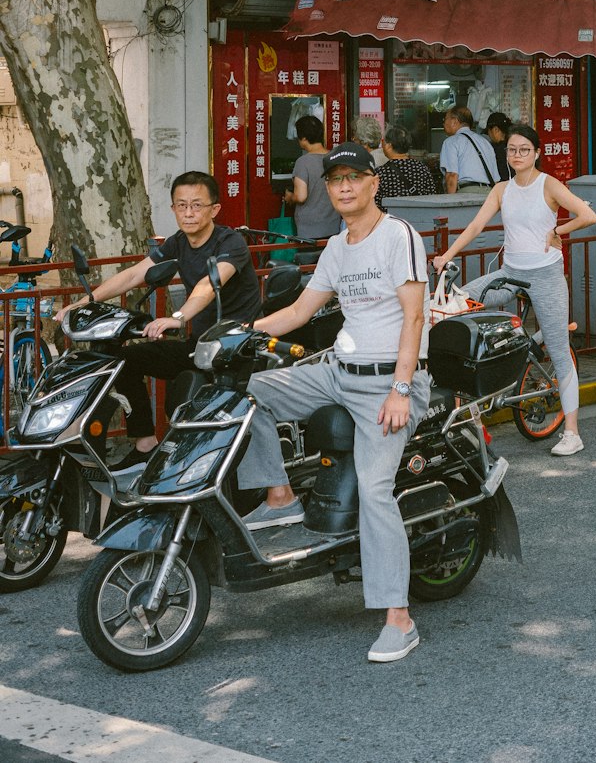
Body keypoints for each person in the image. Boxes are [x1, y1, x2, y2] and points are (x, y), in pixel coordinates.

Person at [235, 141, 430, 665]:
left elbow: (414, 318)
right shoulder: (337, 248)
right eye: (335, 180)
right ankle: (280, 497)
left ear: (373, 182)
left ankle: (399, 618)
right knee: (248, 391)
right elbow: (299, 311)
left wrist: (402, 389)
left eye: (354, 178)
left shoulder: (399, 237)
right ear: (328, 189)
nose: (344, 187)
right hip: (338, 373)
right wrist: (238, 333)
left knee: (375, 490)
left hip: (389, 382)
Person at [54, 171, 261, 469]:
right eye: (181, 205)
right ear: (174, 209)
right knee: (124, 360)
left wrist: (178, 317)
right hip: (200, 345)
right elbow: (134, 274)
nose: (188, 213)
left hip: (235, 348)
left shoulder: (230, 242)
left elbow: (208, 284)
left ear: (214, 209)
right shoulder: (178, 242)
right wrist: (83, 302)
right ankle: (145, 442)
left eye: (197, 205)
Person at [432, 124, 596, 456]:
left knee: (559, 350)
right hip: (510, 272)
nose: (516, 155)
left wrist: (558, 230)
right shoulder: (501, 189)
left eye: (523, 149)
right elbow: (477, 225)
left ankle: (572, 432)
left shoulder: (548, 184)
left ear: (536, 153)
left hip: (546, 276)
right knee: (460, 301)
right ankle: (518, 350)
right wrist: (447, 255)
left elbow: (588, 215)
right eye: (511, 149)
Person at [283, 115, 341, 242]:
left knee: (308, 262)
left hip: (309, 230)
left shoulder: (303, 162)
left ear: (303, 138)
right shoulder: (334, 158)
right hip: (333, 225)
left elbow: (301, 196)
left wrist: (290, 197)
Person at [439, 106, 500, 194]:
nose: (444, 123)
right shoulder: (485, 142)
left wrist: (450, 202)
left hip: (467, 193)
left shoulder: (451, 142)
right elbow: (496, 179)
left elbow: (452, 175)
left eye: (445, 119)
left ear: (454, 121)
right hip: (489, 193)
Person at [376, 125, 436, 206]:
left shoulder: (381, 173)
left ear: (388, 146)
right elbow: (432, 196)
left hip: (392, 217)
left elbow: (376, 203)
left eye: (383, 141)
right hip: (419, 216)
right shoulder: (422, 168)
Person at [486, 112, 513, 182]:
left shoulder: (494, 149)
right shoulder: (514, 146)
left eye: (488, 131)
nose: (489, 135)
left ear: (496, 130)